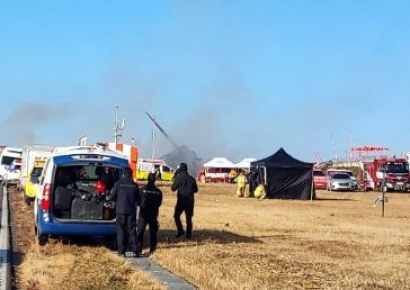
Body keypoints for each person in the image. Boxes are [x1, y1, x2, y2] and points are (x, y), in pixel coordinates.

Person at [107, 167, 140, 257]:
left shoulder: (118, 184)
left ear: (123, 174)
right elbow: (138, 200)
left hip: (120, 210)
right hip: (131, 211)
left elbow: (111, 197)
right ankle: (135, 251)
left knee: (121, 230)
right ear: (131, 175)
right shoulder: (135, 185)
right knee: (131, 230)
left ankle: (121, 251)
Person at [136, 173, 163, 256]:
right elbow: (159, 203)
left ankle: (138, 250)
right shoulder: (158, 192)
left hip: (143, 214)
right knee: (153, 233)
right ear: (155, 180)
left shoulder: (141, 190)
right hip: (153, 214)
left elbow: (138, 202)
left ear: (147, 179)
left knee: (140, 232)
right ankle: (152, 250)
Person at [171, 162, 198, 239]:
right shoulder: (192, 179)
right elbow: (196, 190)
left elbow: (173, 188)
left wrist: (175, 177)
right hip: (190, 201)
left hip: (181, 200)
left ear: (180, 169)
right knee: (188, 218)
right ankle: (188, 235)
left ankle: (180, 231)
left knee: (176, 216)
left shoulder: (179, 178)